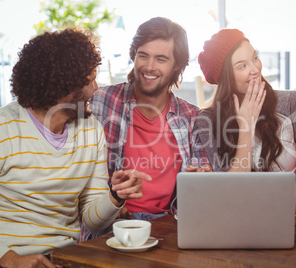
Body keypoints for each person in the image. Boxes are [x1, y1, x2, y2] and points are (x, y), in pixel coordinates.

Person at [0, 28, 150, 267]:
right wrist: (10, 259)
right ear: (67, 85)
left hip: (64, 259)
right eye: (91, 79)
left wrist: (115, 196)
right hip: (2, 261)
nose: (97, 88)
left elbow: (92, 222)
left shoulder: (91, 130)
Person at [87, 17, 207, 237]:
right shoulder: (101, 101)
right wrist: (110, 201)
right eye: (143, 55)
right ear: (134, 55)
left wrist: (201, 177)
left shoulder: (191, 117)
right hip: (111, 223)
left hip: (168, 225)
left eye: (161, 59)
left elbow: (201, 176)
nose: (149, 67)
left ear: (177, 66)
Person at [192, 29, 296, 214]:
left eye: (255, 58)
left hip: (287, 216)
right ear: (226, 78)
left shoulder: (292, 102)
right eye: (242, 66)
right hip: (234, 217)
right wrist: (246, 127)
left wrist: (284, 216)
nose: (255, 69)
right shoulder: (206, 120)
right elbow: (230, 190)